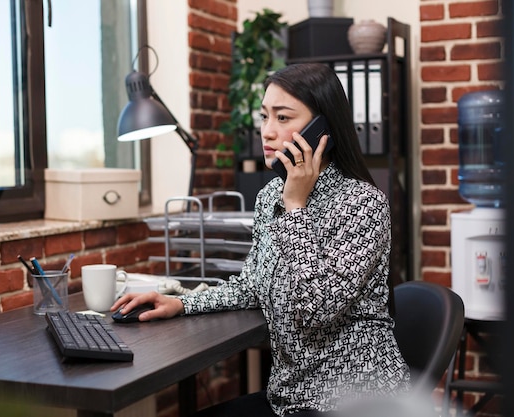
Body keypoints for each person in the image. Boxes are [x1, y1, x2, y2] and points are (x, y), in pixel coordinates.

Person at [111, 62, 411, 416]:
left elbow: (316, 310)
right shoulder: (271, 196)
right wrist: (181, 303)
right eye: (264, 116)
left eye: (283, 118)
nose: (266, 132)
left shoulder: (363, 203)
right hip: (289, 398)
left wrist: (295, 207)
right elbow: (251, 285)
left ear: (322, 129)